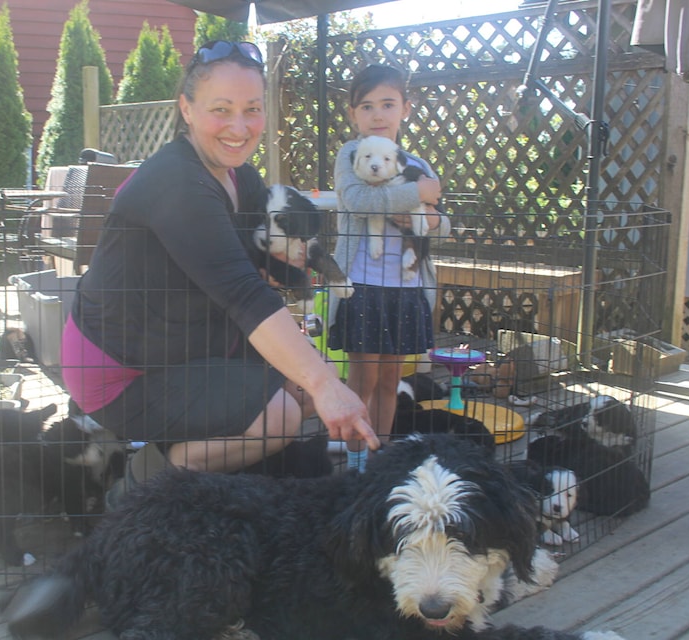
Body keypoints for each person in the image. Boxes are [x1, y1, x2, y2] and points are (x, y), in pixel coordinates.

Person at [61, 41, 379, 492]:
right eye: (222, 109)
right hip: (118, 372)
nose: (239, 126)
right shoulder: (176, 182)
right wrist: (326, 383)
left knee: (295, 389)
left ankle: (185, 469)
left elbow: (257, 256)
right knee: (282, 412)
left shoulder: (236, 174)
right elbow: (244, 294)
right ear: (186, 109)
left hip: (177, 345)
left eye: (252, 109)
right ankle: (150, 486)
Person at [327, 64, 451, 472]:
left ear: (405, 109)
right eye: (367, 106)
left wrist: (423, 218)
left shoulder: (417, 163)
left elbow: (444, 224)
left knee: (388, 380)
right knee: (360, 381)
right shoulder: (350, 155)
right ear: (353, 114)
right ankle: (355, 459)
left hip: (405, 289)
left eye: (387, 104)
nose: (377, 115)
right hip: (360, 284)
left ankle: (379, 459)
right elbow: (358, 200)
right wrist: (416, 195)